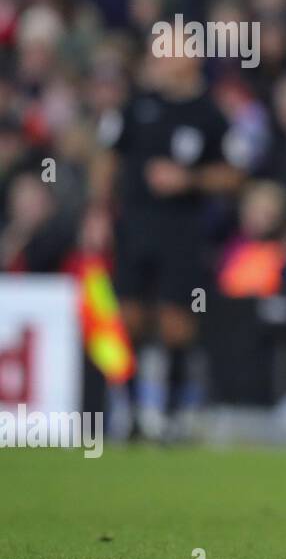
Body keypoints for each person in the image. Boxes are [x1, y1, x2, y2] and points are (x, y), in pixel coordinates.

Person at [90, 42, 245, 439]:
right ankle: (130, 411)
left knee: (178, 320)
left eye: (172, 48)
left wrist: (189, 179)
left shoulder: (211, 115)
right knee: (128, 317)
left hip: (183, 230)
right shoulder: (137, 106)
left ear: (192, 57)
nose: (162, 55)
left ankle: (174, 412)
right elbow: (108, 157)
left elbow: (234, 176)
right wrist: (99, 211)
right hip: (135, 226)